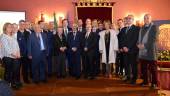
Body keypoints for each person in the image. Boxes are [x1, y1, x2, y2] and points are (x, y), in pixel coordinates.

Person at [137, 14, 159, 89]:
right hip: (142, 52)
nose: (146, 19)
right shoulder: (142, 27)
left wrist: (144, 45)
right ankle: (145, 81)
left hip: (151, 51)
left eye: (147, 18)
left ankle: (154, 83)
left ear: (151, 19)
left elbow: (154, 39)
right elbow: (139, 38)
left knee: (153, 69)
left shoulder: (154, 27)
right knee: (144, 68)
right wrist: (138, 44)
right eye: (145, 18)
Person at [120, 15, 140, 84]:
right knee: (126, 65)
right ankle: (127, 76)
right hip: (124, 50)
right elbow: (121, 39)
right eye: (127, 19)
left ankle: (134, 79)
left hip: (132, 50)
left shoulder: (136, 28)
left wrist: (128, 47)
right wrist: (123, 47)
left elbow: (135, 39)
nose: (128, 20)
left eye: (130, 18)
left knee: (133, 65)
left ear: (133, 20)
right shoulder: (123, 29)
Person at [1, 23, 21, 89]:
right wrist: (14, 55)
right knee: (8, 72)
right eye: (8, 27)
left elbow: (17, 45)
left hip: (15, 56)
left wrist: (18, 53)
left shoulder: (12, 36)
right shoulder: (3, 36)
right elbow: (7, 49)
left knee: (15, 71)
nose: (10, 28)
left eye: (11, 27)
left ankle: (14, 83)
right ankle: (7, 86)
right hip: (8, 57)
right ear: (5, 28)